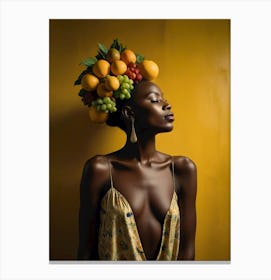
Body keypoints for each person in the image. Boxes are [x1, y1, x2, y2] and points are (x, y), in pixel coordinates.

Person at [77, 79, 197, 261]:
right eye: (155, 100)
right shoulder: (100, 170)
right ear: (129, 113)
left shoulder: (182, 169)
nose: (167, 105)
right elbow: (86, 251)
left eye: (163, 99)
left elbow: (187, 253)